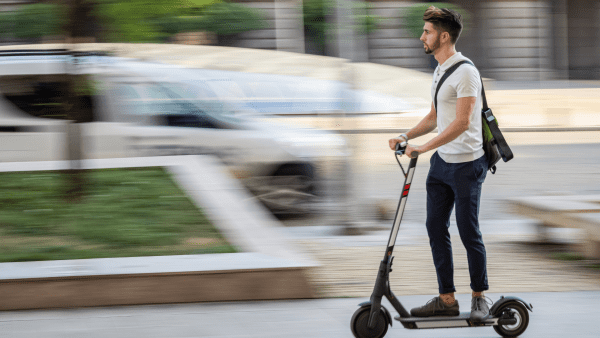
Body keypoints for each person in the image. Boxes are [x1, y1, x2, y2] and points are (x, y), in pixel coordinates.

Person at [388, 6, 490, 322]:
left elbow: (461, 123)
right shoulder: (439, 70)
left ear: (443, 36)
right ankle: (447, 299)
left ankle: (479, 297)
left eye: (427, 32)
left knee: (467, 230)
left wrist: (422, 148)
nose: (422, 37)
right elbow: (435, 117)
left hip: (466, 165)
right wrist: (406, 136)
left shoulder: (466, 72)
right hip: (442, 164)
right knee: (435, 226)